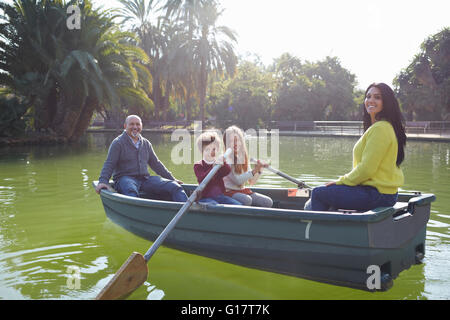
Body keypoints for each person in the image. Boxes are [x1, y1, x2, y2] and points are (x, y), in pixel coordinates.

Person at [305, 83, 406, 212]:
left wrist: (340, 181)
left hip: (376, 194)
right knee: (327, 195)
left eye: (377, 97)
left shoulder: (380, 128)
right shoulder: (384, 127)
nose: (371, 100)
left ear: (386, 102)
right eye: (368, 96)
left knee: (318, 193)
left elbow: (366, 169)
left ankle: (317, 231)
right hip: (382, 193)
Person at [95, 115, 188, 202]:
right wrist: (103, 181)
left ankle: (187, 213)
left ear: (141, 126)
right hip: (125, 179)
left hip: (145, 179)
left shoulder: (146, 143)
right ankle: (137, 214)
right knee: (130, 190)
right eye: (131, 124)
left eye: (137, 124)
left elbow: (156, 164)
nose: (135, 127)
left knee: (174, 187)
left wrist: (172, 179)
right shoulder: (118, 143)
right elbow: (109, 164)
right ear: (125, 126)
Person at [222, 126, 273, 207]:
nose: (235, 143)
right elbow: (238, 181)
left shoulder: (243, 158)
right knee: (246, 200)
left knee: (267, 202)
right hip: (227, 192)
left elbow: (251, 182)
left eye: (237, 140)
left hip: (241, 191)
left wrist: (259, 169)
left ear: (241, 141)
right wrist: (254, 170)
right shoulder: (226, 159)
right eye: (231, 141)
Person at [193, 130, 242, 206]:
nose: (211, 152)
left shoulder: (218, 163)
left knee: (238, 205)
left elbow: (226, 171)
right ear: (201, 151)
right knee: (215, 205)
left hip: (220, 196)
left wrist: (223, 163)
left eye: (213, 149)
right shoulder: (198, 165)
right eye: (207, 150)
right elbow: (202, 178)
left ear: (218, 149)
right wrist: (213, 167)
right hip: (205, 198)